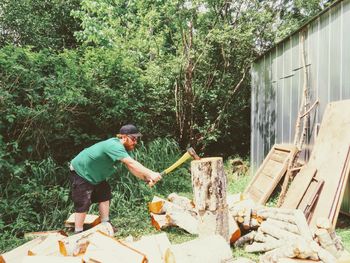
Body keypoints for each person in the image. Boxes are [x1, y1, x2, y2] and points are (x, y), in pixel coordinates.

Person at [69, 124, 162, 233]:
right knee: (83, 202)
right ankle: (78, 232)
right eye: (133, 138)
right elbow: (131, 162)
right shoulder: (114, 145)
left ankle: (105, 225)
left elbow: (131, 167)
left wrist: (146, 177)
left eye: (137, 139)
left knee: (104, 195)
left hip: (97, 175)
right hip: (81, 172)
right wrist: (151, 173)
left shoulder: (124, 149)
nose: (135, 142)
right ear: (123, 137)